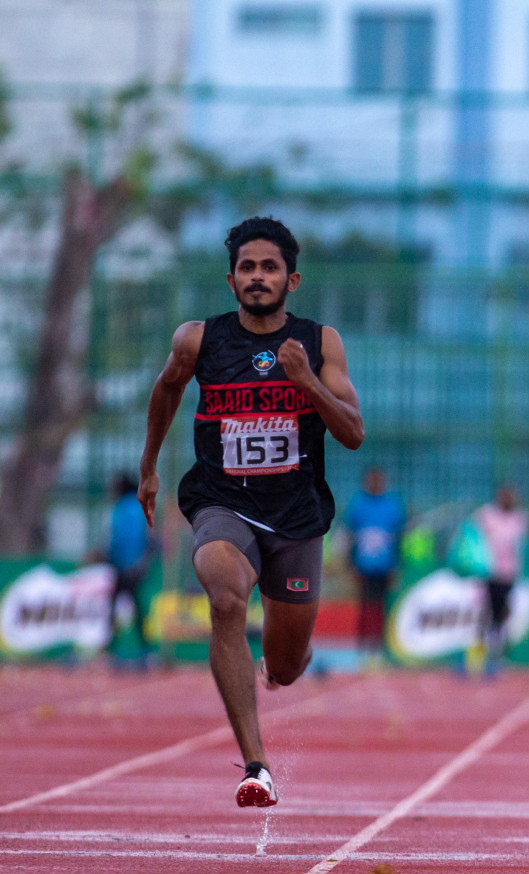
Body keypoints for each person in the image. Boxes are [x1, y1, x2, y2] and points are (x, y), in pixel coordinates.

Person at [138, 216, 364, 807]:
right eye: (247, 267)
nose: (257, 277)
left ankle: (286, 655)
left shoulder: (321, 342)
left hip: (295, 514)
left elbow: (354, 433)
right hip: (222, 502)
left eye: (269, 268)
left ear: (293, 280)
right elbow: (165, 390)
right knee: (225, 598)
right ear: (231, 277)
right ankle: (256, 765)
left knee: (286, 668)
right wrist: (148, 467)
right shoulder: (198, 340)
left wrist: (307, 382)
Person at [344, 467, 406, 667]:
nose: (376, 484)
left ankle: (380, 650)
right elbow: (350, 537)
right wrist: (351, 564)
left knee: (382, 608)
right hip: (364, 566)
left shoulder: (393, 506)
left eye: (379, 480)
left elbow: (398, 538)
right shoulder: (357, 506)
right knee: (365, 608)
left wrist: (396, 566)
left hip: (385, 566)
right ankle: (363, 650)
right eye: (372, 480)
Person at [474, 485, 529, 667]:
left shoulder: (520, 518)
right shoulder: (487, 515)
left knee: (503, 612)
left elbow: (521, 546)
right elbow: (474, 535)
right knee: (486, 612)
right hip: (489, 571)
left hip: (509, 573)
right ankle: (480, 652)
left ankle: (497, 652)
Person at [107, 472, 153, 663]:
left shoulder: (122, 508)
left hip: (124, 566)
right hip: (138, 566)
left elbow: (119, 539)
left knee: (114, 607)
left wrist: (108, 556)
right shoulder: (139, 506)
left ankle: (113, 650)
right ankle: (145, 650)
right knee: (136, 608)